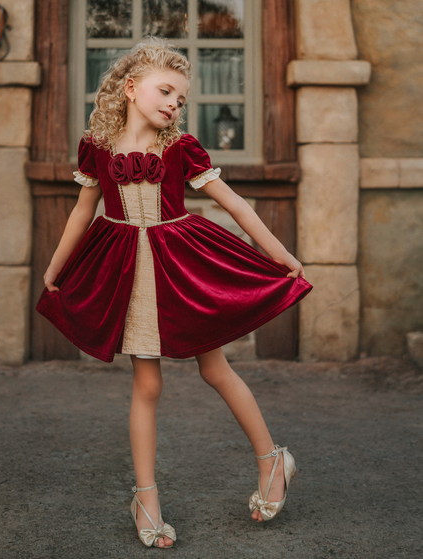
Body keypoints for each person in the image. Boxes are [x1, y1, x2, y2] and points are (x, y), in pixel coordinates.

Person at [36, 37, 312, 548]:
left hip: (182, 268)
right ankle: (146, 497)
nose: (173, 104)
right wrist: (55, 269)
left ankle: (274, 460)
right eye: (166, 92)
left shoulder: (180, 148)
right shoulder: (96, 147)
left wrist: (282, 257)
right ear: (132, 87)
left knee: (216, 369)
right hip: (126, 269)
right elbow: (82, 212)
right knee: (146, 387)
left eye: (180, 99)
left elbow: (236, 206)